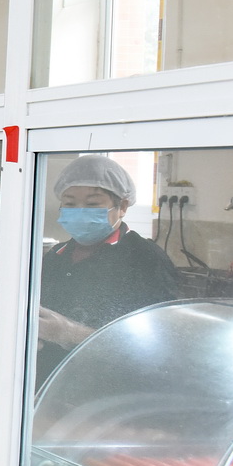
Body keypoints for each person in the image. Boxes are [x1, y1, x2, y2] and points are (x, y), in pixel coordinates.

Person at [36, 154, 180, 383]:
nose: (79, 211)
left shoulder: (145, 259)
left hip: (110, 387)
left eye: (92, 204)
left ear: (122, 206)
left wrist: (69, 333)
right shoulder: (56, 256)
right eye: (70, 204)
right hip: (50, 385)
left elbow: (157, 345)